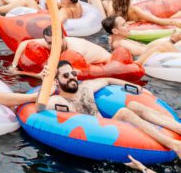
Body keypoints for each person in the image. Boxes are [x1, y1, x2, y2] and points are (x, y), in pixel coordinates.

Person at [45, 60, 181, 155]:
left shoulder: (86, 88)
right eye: (65, 75)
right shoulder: (58, 100)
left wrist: (137, 88)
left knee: (133, 105)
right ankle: (171, 143)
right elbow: (40, 106)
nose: (71, 78)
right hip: (93, 137)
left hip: (109, 128)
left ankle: (178, 129)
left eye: (73, 74)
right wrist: (46, 85)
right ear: (56, 81)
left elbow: (108, 80)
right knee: (123, 112)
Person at [11, 25, 111, 73]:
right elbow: (24, 43)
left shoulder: (75, 50)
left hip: (107, 62)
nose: (54, 46)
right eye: (50, 43)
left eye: (56, 42)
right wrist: (14, 65)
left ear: (63, 38)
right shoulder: (51, 41)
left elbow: (74, 72)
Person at [102, 15, 181, 60]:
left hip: (146, 54)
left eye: (126, 23)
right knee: (167, 45)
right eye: (123, 25)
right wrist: (172, 41)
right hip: (149, 61)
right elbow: (144, 52)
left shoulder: (114, 39)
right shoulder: (122, 43)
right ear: (115, 31)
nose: (128, 25)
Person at [104, 0, 181, 29]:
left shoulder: (128, 10)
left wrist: (174, 22)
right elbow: (157, 20)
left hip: (151, 16)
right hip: (149, 19)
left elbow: (156, 20)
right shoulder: (129, 9)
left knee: (104, 2)